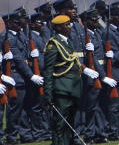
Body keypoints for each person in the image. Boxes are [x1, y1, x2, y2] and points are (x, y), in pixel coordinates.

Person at [44, 15, 83, 145]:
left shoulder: (67, 42)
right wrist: (48, 93)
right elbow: (49, 70)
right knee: (60, 124)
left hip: (72, 88)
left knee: (70, 123)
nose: (69, 27)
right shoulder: (53, 44)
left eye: (69, 24)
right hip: (61, 89)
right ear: (58, 27)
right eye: (66, 25)